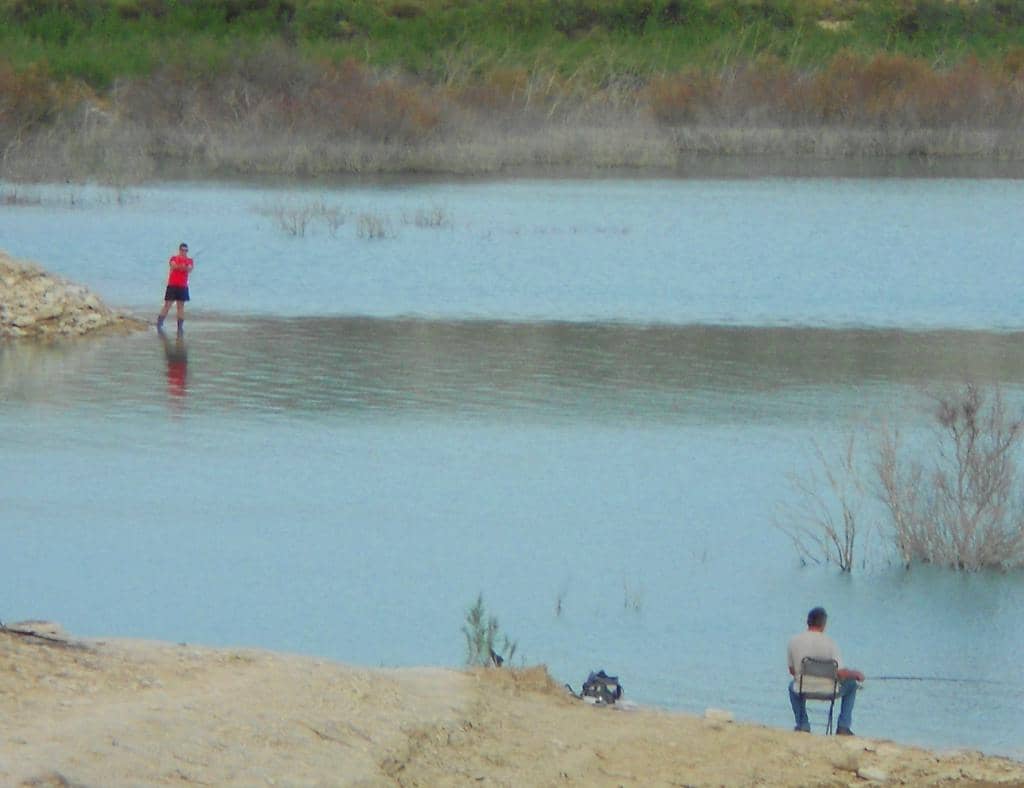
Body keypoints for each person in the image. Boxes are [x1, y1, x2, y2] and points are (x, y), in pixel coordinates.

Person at [787, 606, 864, 735]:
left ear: (808, 622)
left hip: (803, 688)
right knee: (851, 685)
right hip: (829, 690)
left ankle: (803, 724)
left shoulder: (793, 641)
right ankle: (843, 726)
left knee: (792, 687)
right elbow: (840, 673)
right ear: (824, 624)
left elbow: (792, 671)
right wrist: (855, 674)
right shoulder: (830, 643)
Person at [157, 242, 194, 336]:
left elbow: (189, 269)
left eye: (186, 250)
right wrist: (181, 266)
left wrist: (183, 267)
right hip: (172, 285)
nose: (184, 252)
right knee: (167, 305)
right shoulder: (174, 258)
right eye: (182, 250)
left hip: (183, 286)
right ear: (179, 250)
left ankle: (180, 327)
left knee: (180, 307)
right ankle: (159, 323)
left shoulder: (189, 260)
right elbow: (173, 265)